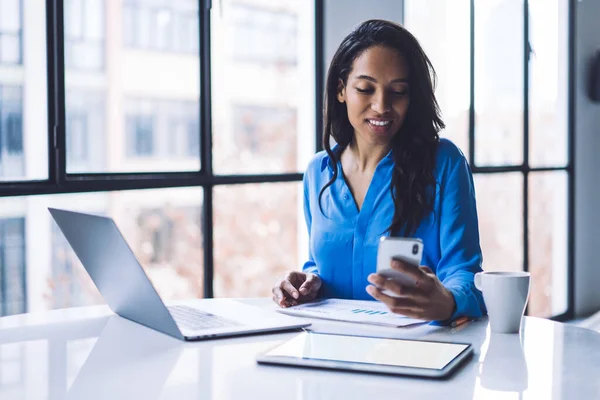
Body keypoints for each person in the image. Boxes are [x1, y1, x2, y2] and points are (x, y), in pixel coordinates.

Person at [272, 19, 486, 322]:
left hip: (416, 352)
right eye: (365, 88)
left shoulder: (445, 164)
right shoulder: (318, 172)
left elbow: (465, 274)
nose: (381, 106)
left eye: (398, 91)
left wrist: (448, 301)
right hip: (332, 352)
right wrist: (309, 283)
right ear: (341, 89)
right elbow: (320, 264)